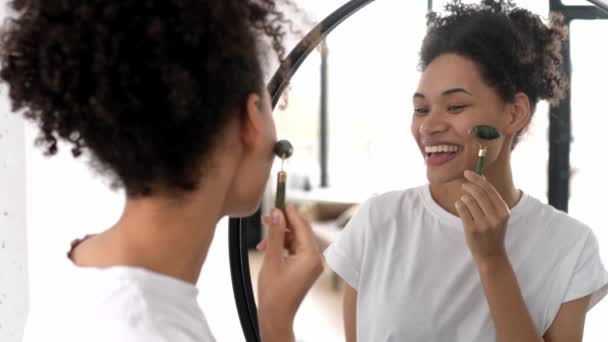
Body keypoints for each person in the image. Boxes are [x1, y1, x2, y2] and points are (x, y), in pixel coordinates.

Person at [0, 0, 323, 341]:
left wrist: (273, 310)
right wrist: (276, 325)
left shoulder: (81, 273)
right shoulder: (151, 329)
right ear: (253, 119)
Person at [324, 1, 608, 341]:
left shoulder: (570, 245)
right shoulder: (378, 221)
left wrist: (492, 260)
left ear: (515, 113)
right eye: (421, 108)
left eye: (455, 106)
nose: (429, 126)